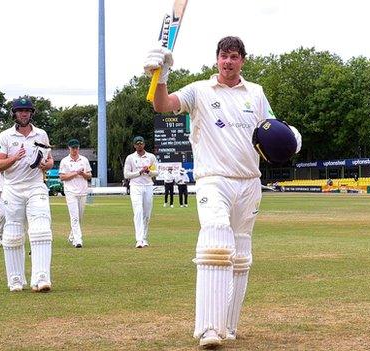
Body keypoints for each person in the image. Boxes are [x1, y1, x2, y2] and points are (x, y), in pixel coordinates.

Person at [144, 36, 302, 347]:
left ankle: (228, 326)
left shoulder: (255, 93)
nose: (227, 61)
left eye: (233, 56)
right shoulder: (199, 89)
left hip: (248, 181)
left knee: (240, 256)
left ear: (242, 59)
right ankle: (208, 329)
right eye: (223, 56)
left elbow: (273, 128)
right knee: (215, 238)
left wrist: (292, 137)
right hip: (212, 179)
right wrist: (160, 75)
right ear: (216, 59)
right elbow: (162, 106)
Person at [0, 96, 55, 293]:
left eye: (27, 111)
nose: (24, 114)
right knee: (12, 234)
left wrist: (47, 165)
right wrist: (15, 157)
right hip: (13, 188)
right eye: (20, 111)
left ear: (31, 113)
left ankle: (41, 278)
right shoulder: (5, 137)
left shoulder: (41, 134)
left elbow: (50, 159)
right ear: (14, 114)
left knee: (41, 229)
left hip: (36, 185)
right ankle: (15, 280)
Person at [123, 136, 159, 248]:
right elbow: (126, 174)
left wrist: (148, 171)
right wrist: (139, 172)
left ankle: (144, 238)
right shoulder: (130, 158)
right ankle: (139, 240)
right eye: (137, 144)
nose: (139, 145)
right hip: (135, 186)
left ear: (144, 144)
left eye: (141, 143)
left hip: (148, 185)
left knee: (147, 214)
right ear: (134, 145)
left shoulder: (151, 157)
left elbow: (156, 172)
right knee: (138, 211)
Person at [59, 138, 92, 248]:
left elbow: (89, 176)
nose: (75, 150)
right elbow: (62, 177)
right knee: (74, 217)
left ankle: (72, 236)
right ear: (69, 148)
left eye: (77, 148)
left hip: (82, 191)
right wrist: (75, 173)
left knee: (80, 217)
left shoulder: (84, 160)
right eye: (73, 148)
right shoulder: (65, 161)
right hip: (70, 192)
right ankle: (78, 240)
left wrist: (82, 174)